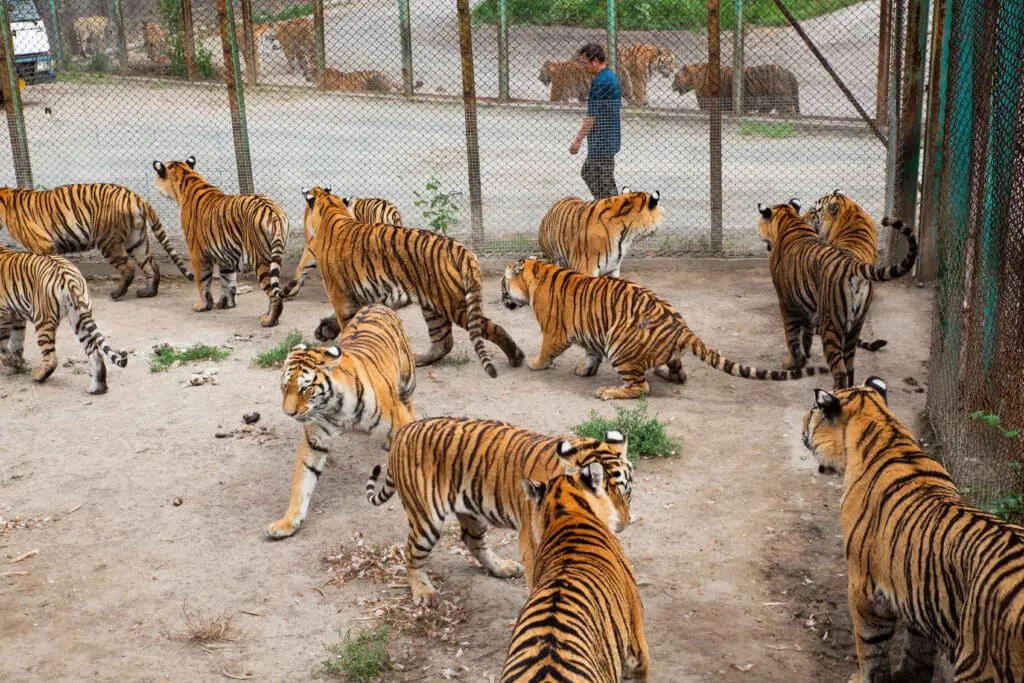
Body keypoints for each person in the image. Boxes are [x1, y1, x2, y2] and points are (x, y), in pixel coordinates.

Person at [569, 43, 622, 200]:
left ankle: (610, 209)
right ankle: (604, 206)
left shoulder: (600, 82)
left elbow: (591, 116)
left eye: (585, 63)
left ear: (595, 61)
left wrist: (578, 140)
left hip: (602, 140)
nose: (583, 66)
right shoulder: (610, 77)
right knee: (596, 176)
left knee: (600, 178)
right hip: (607, 137)